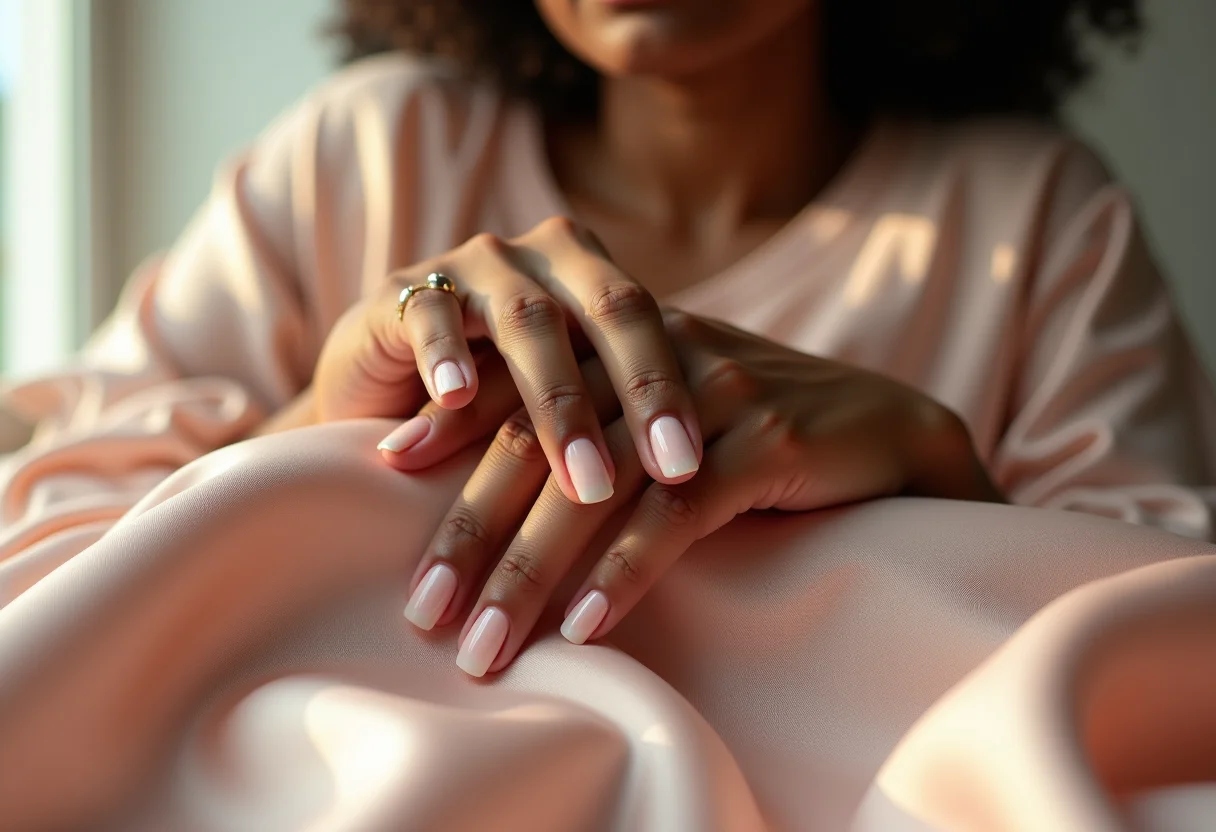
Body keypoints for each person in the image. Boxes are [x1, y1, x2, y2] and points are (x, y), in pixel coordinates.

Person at [1, 0, 1213, 686]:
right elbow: (43, 536)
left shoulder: (1032, 212)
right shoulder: (363, 153)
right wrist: (316, 417)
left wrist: (932, 456)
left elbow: (1175, 654)